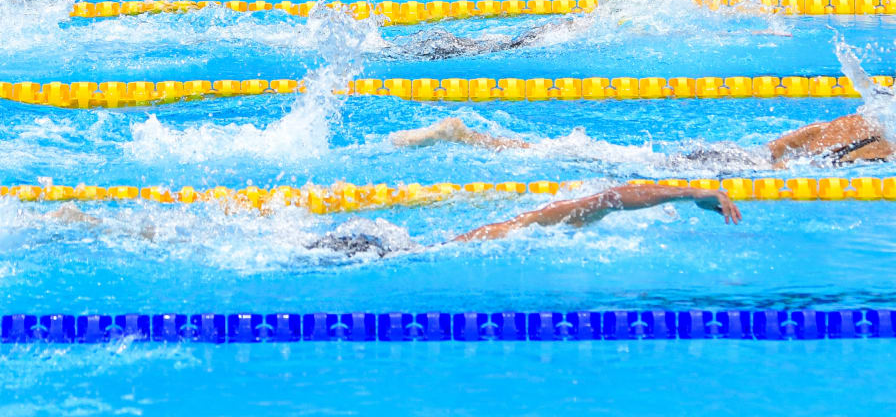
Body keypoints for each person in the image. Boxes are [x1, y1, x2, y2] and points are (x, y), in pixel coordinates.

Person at [44, 184, 739, 260]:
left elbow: (594, 203)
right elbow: (594, 202)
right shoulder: (480, 243)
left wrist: (686, 194)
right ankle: (92, 220)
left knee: (217, 237)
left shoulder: (476, 241)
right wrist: (688, 194)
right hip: (376, 251)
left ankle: (94, 219)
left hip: (380, 243)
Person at [391, 113, 896, 167]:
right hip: (725, 166)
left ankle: (469, 137)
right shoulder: (882, 139)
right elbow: (799, 141)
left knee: (587, 158)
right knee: (585, 161)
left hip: (730, 158)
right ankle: (465, 136)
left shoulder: (871, 125)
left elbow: (800, 138)